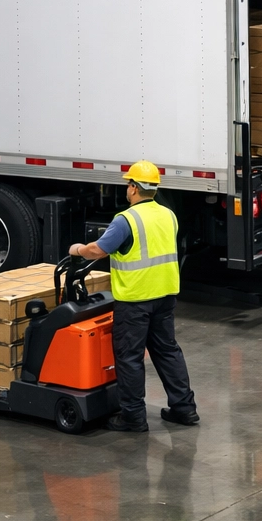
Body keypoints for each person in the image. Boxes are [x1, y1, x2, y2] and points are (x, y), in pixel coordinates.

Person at [70, 161, 199, 432]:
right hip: (165, 295)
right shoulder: (168, 215)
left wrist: (78, 249)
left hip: (135, 300)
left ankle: (133, 417)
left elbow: (99, 250)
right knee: (167, 351)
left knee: (130, 357)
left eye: (128, 184)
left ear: (133, 188)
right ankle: (184, 409)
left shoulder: (126, 219)